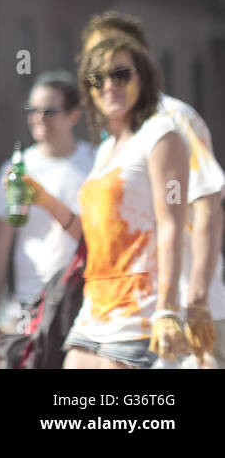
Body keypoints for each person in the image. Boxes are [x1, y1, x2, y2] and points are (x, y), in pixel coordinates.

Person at [80, 11, 224, 364]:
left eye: (119, 66)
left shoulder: (173, 118)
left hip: (185, 304)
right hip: (127, 311)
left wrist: (197, 300)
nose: (107, 77)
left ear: (141, 58)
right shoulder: (110, 141)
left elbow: (207, 208)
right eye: (96, 67)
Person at [63, 34, 191, 368]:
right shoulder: (105, 150)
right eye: (97, 78)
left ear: (142, 79)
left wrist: (167, 308)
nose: (109, 85)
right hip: (94, 310)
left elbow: (171, 224)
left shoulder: (161, 135)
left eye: (120, 74)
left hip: (140, 314)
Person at [0, 71, 94, 355]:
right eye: (33, 110)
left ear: (73, 115)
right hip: (30, 301)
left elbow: (96, 237)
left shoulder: (95, 162)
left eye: (49, 111)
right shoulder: (17, 167)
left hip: (85, 299)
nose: (38, 118)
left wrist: (47, 202)